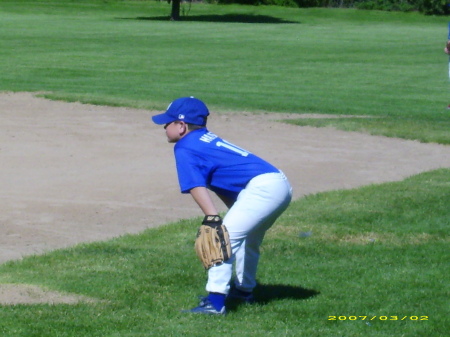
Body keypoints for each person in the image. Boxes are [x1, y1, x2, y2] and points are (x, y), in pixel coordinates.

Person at [151, 97, 293, 315]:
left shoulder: (185, 146)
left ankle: (215, 303)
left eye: (167, 122)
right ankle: (243, 292)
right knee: (246, 240)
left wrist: (212, 218)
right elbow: (223, 184)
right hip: (276, 184)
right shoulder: (204, 139)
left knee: (220, 240)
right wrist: (229, 212)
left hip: (263, 189)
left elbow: (196, 185)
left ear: (181, 126)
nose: (164, 127)